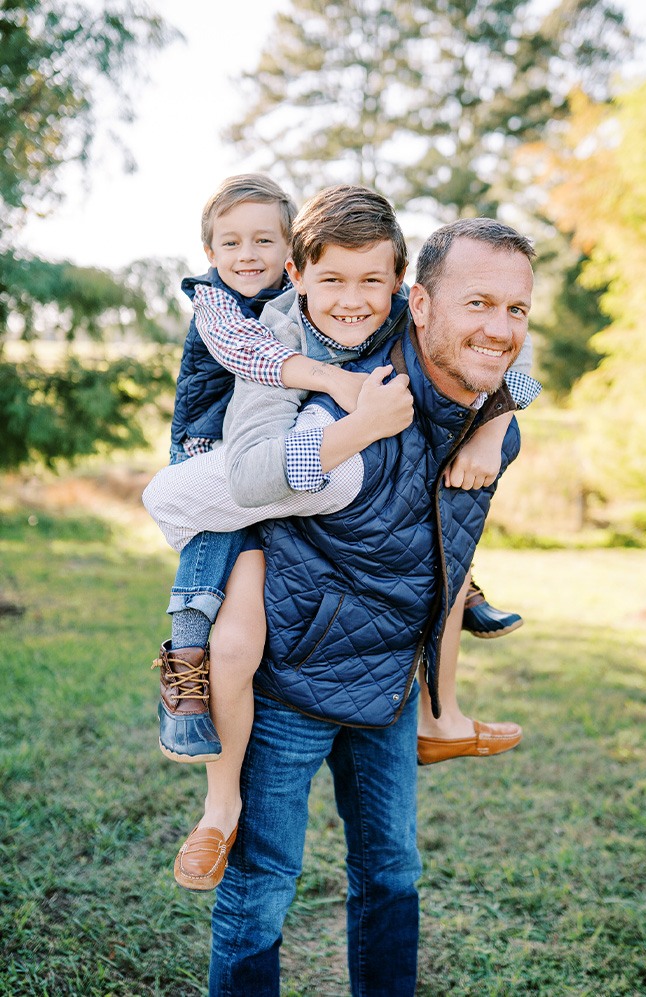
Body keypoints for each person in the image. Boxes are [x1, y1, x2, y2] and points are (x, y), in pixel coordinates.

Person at [144, 185, 539, 891]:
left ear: (401, 290)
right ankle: (215, 792)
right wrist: (354, 422)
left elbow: (505, 354)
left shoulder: (406, 324)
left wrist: (495, 421)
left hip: (370, 628)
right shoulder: (273, 329)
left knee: (444, 568)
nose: (352, 299)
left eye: (372, 282)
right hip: (217, 472)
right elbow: (254, 473)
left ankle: (441, 713)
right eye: (331, 280)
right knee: (223, 614)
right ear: (298, 278)